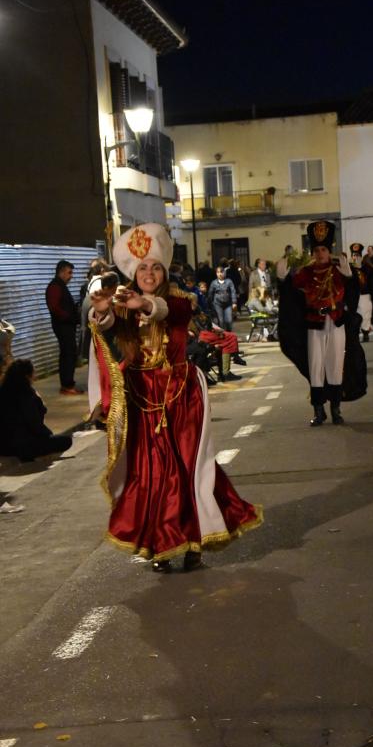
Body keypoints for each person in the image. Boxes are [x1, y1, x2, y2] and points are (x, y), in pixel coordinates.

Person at [88, 223, 262, 573]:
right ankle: (160, 542)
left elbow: (170, 313)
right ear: (133, 273)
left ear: (164, 271)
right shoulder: (123, 305)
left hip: (181, 394)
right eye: (142, 268)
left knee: (185, 468)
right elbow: (104, 326)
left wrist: (145, 303)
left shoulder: (181, 300)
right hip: (141, 396)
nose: (149, 273)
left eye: (155, 267)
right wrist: (104, 309)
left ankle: (195, 539)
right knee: (149, 471)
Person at [276, 220, 367, 426]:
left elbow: (354, 295)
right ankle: (319, 411)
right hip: (313, 323)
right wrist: (282, 280)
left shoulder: (339, 270)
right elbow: (291, 293)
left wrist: (350, 278)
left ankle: (336, 410)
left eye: (323, 249)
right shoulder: (305, 273)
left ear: (329, 249)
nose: (320, 253)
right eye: (316, 250)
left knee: (335, 366)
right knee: (316, 367)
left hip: (336, 322)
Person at [0, 359, 72, 461]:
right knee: (66, 440)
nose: (35, 376)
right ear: (27, 376)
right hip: (22, 446)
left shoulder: (3, 391)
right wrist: (39, 401)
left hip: (3, 447)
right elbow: (35, 423)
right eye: (33, 373)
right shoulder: (27, 394)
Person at [45, 259, 83, 395]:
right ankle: (67, 385)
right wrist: (68, 316)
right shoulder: (55, 287)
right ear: (61, 272)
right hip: (63, 326)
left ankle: (67, 384)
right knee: (68, 354)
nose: (71, 276)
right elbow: (54, 307)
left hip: (66, 325)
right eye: (69, 272)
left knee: (68, 353)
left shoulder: (60, 285)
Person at [350, 243, 373, 342]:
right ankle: (355, 334)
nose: (355, 258)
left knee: (366, 315)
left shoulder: (367, 268)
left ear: (361, 256)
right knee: (354, 315)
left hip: (365, 295)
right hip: (353, 296)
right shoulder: (349, 269)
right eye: (354, 255)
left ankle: (365, 333)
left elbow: (372, 282)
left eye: (357, 255)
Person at [208, 266, 238, 330]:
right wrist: (210, 304)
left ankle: (229, 334)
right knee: (220, 321)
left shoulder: (229, 281)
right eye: (218, 272)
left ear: (224, 273)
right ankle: (223, 336)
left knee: (229, 320)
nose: (220, 274)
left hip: (228, 304)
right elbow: (210, 293)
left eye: (221, 272)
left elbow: (233, 291)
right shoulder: (214, 283)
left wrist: (234, 302)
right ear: (216, 273)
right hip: (217, 304)